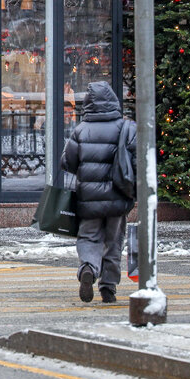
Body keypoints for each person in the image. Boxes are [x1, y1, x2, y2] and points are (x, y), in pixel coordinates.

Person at [63, 80, 136, 304]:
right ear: (113, 101)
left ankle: (88, 268)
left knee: (88, 237)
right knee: (114, 241)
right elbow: (136, 160)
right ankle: (108, 287)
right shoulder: (127, 127)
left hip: (89, 198)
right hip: (119, 196)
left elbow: (67, 162)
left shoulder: (80, 130)